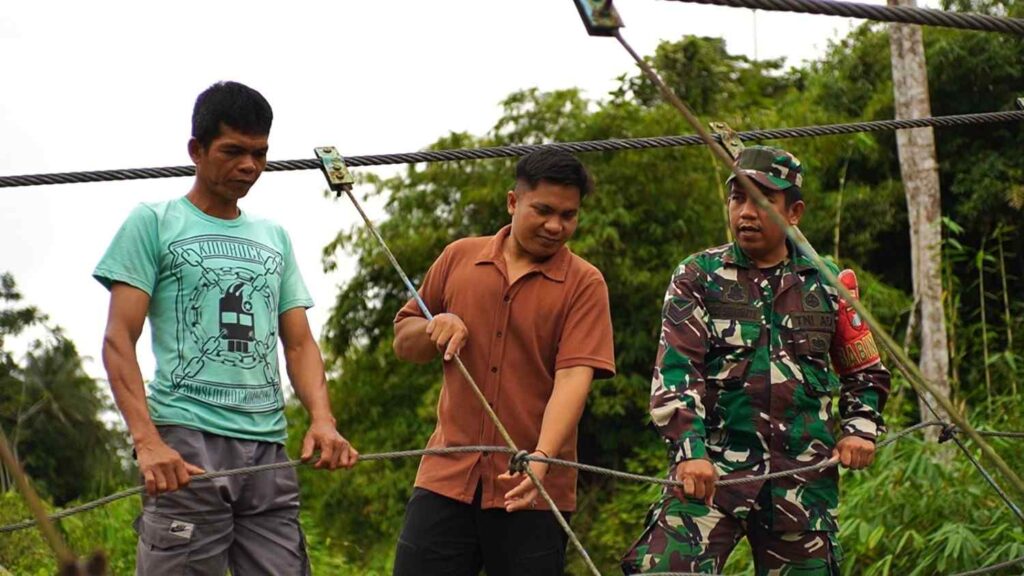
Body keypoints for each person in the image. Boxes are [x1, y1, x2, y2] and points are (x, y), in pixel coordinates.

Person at [95, 81, 357, 575]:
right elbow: (117, 339)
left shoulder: (273, 235)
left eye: (259, 154)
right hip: (186, 444)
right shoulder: (153, 222)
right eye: (233, 151)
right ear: (196, 150)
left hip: (268, 448)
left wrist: (323, 420)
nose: (249, 167)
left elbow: (299, 343)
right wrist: (147, 441)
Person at [621, 145, 890, 574]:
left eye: (761, 201)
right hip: (710, 474)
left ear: (794, 211)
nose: (745, 212)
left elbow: (865, 371)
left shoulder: (828, 281)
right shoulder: (698, 276)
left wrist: (861, 429)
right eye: (737, 198)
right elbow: (677, 372)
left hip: (801, 482)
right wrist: (689, 451)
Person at [390, 149, 616, 576]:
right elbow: (404, 341)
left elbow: (572, 378)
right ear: (513, 202)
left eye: (568, 215)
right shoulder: (459, 257)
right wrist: (435, 326)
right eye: (543, 210)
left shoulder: (585, 283)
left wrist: (543, 457)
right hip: (446, 478)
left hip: (533, 487)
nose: (555, 226)